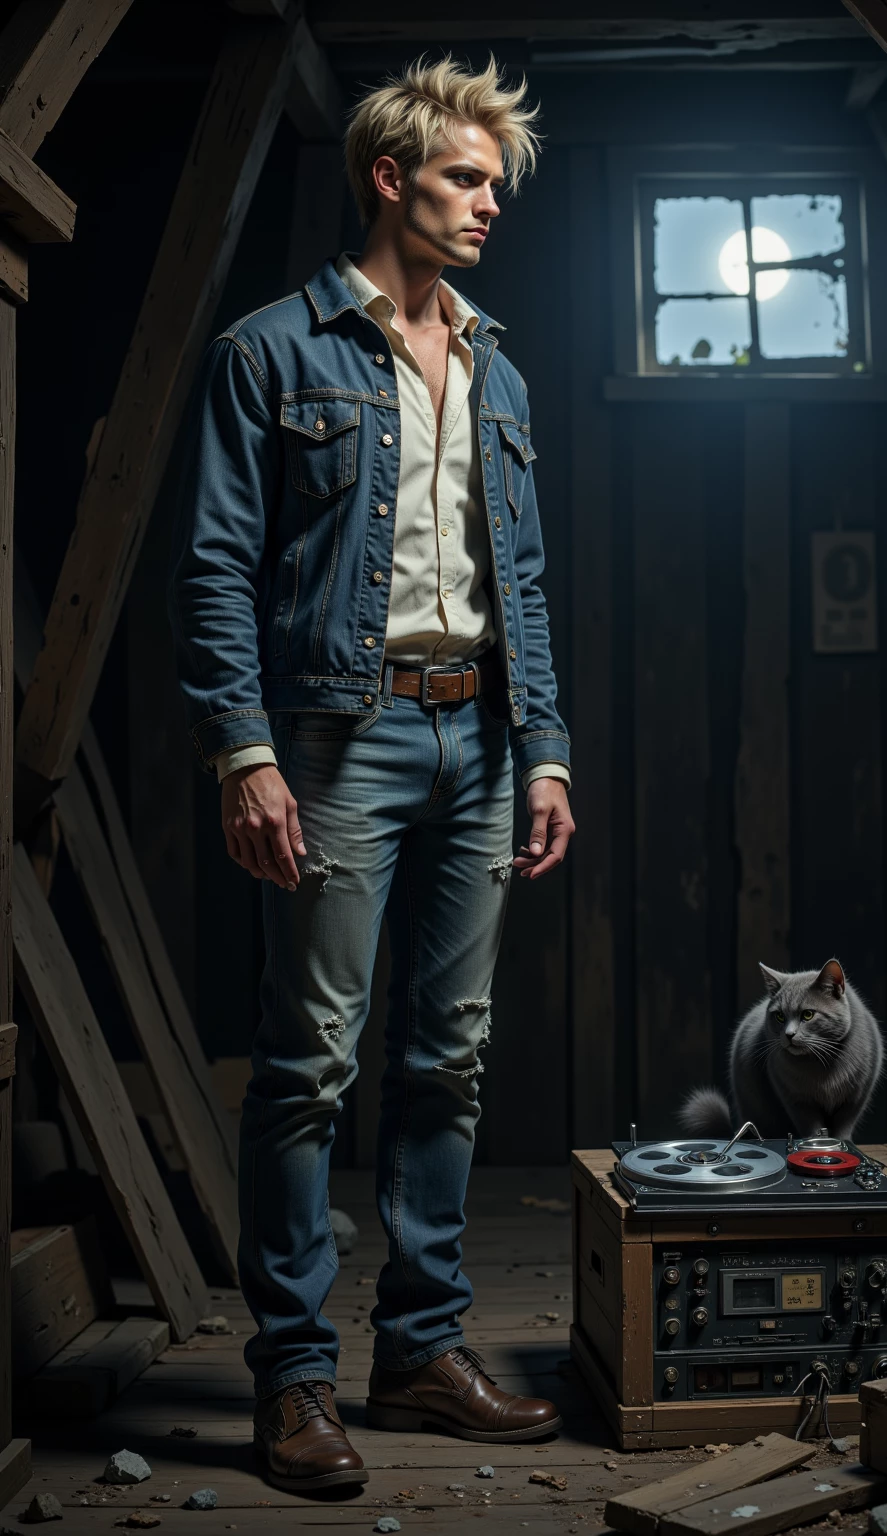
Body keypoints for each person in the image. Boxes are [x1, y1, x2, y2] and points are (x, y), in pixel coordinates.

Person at [169, 55, 574, 1494]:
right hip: (335, 739)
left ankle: (418, 1354)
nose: (488, 206)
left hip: (480, 740)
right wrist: (246, 748)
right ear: (389, 178)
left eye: (496, 185)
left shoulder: (500, 367)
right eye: (466, 178)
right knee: (310, 1067)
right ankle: (292, 1383)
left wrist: (547, 753)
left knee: (447, 1058)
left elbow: (517, 577)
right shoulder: (271, 354)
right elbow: (214, 564)